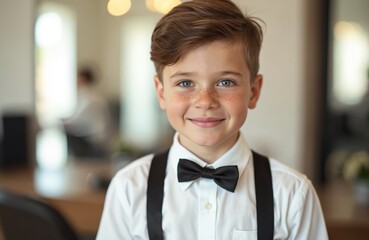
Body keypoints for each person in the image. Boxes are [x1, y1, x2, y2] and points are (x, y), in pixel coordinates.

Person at [96, 0, 328, 239]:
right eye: (185, 83)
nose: (205, 101)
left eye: (225, 82)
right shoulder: (129, 188)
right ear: (162, 93)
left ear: (254, 91)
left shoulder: (293, 194)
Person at [62, 68, 113, 159]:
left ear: (83, 79)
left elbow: (76, 120)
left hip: (94, 141)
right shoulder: (95, 96)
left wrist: (61, 121)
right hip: (98, 138)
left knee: (68, 131)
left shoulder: (88, 97)